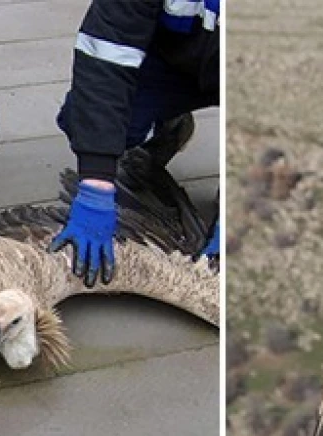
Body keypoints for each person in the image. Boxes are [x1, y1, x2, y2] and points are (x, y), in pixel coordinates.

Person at [51, 0, 221, 287]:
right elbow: (105, 56)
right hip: (174, 60)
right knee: (83, 118)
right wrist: (96, 186)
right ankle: (168, 123)